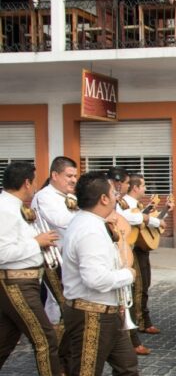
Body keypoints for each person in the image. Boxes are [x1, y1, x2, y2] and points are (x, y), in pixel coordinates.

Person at [60, 171, 138, 375]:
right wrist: (128, 275)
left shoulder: (94, 223)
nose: (117, 197)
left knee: (128, 367)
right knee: (86, 370)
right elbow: (95, 279)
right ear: (103, 198)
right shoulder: (90, 230)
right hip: (91, 313)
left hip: (108, 310)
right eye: (113, 193)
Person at [0, 161, 62, 376]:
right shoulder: (5, 209)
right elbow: (2, 253)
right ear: (27, 182)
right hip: (16, 282)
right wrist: (37, 242)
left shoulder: (15, 207)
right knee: (45, 340)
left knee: (5, 340)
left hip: (24, 281)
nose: (35, 185)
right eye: (34, 181)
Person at [119, 173, 165, 356]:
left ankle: (142, 321)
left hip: (137, 246)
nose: (145, 189)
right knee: (137, 288)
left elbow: (140, 219)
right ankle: (135, 327)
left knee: (144, 285)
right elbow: (135, 219)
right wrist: (151, 220)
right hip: (130, 249)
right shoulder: (124, 203)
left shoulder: (133, 204)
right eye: (143, 185)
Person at [31, 156, 79, 325]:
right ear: (55, 175)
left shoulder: (69, 196)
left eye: (75, 176)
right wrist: (89, 216)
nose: (73, 180)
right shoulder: (45, 196)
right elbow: (60, 220)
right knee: (57, 301)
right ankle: (55, 338)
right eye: (69, 176)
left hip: (68, 257)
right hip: (52, 257)